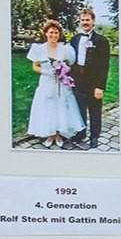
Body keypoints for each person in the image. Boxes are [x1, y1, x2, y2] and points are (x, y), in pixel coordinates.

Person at [25, 18, 86, 149]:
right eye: (51, 32)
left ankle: (58, 133)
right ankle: (50, 134)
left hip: (61, 84)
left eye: (56, 33)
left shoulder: (65, 49)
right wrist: (46, 71)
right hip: (46, 83)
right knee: (48, 107)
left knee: (60, 107)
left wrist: (64, 69)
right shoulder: (39, 49)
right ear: (46, 33)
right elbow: (34, 66)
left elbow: (69, 65)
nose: (54, 35)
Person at [70, 7, 112, 150]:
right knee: (79, 109)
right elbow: (71, 61)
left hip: (93, 82)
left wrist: (100, 86)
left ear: (93, 21)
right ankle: (81, 133)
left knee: (94, 111)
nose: (85, 22)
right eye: (82, 20)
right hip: (78, 81)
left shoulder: (101, 41)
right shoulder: (74, 40)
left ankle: (94, 136)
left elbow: (104, 66)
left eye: (88, 20)